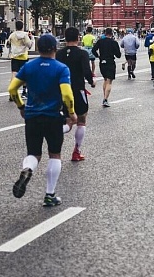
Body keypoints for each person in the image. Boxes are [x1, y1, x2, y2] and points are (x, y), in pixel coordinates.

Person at [9, 34, 77, 207]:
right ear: (55, 48)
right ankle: (49, 195)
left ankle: (28, 169)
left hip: (32, 116)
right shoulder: (61, 68)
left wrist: (21, 107)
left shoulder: (29, 66)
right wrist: (71, 113)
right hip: (53, 117)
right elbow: (67, 95)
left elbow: (12, 89)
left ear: (38, 48)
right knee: (55, 154)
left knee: (33, 154)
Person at [56, 27, 96, 161]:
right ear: (78, 38)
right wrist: (92, 81)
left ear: (65, 38)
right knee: (81, 119)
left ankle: (56, 133)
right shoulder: (82, 53)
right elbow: (86, 71)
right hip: (78, 90)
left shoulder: (59, 54)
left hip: (61, 90)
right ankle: (76, 151)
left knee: (68, 120)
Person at [92, 28, 121, 106]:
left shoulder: (100, 41)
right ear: (112, 34)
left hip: (102, 62)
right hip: (110, 62)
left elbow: (93, 50)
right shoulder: (114, 42)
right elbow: (118, 55)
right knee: (109, 81)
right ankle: (105, 99)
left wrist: (98, 56)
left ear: (105, 33)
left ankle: (104, 97)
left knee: (105, 79)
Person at [6, 21, 33, 101]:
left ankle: (12, 93)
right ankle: (24, 92)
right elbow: (29, 45)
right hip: (23, 57)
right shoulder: (25, 35)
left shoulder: (12, 35)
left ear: (16, 26)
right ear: (22, 26)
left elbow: (7, 44)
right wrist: (31, 38)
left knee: (14, 74)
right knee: (25, 75)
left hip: (14, 57)